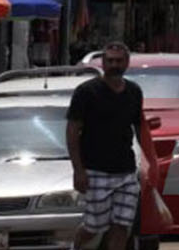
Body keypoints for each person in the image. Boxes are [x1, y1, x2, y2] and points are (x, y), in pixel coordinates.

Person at [65, 43, 158, 250]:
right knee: (94, 227)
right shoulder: (86, 92)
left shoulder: (134, 92)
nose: (114, 65)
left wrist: (152, 163)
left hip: (126, 173)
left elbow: (140, 128)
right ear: (104, 63)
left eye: (119, 61)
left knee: (122, 226)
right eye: (110, 61)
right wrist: (78, 170)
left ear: (127, 63)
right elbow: (72, 131)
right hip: (95, 171)